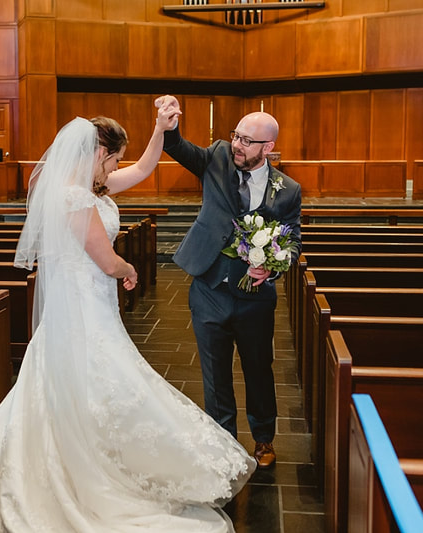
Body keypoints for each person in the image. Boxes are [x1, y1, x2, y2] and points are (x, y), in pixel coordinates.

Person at [0, 104, 256, 532]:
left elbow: (146, 167)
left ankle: (102, 449)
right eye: (113, 159)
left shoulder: (88, 186)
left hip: (91, 304)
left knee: (91, 383)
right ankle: (88, 466)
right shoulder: (75, 196)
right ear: (98, 155)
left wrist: (160, 129)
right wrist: (129, 270)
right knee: (102, 379)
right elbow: (106, 260)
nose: (114, 169)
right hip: (81, 310)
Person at [158, 95, 302, 469]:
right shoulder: (218, 156)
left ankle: (264, 438)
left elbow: (294, 239)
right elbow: (179, 148)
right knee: (215, 372)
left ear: (268, 147)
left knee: (258, 368)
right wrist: (169, 126)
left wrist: (273, 267)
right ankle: (223, 442)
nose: (238, 144)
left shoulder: (287, 189)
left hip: (255, 296)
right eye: (236, 136)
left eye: (247, 140)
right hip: (208, 288)